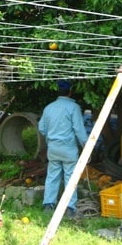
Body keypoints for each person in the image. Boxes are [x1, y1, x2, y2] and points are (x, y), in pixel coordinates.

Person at [38, 79, 88, 218]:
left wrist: (51, 137)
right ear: (70, 92)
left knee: (52, 176)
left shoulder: (49, 108)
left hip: (53, 148)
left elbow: (41, 127)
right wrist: (86, 145)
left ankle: (48, 204)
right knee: (70, 176)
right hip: (68, 149)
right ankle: (70, 207)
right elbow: (79, 129)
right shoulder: (73, 108)